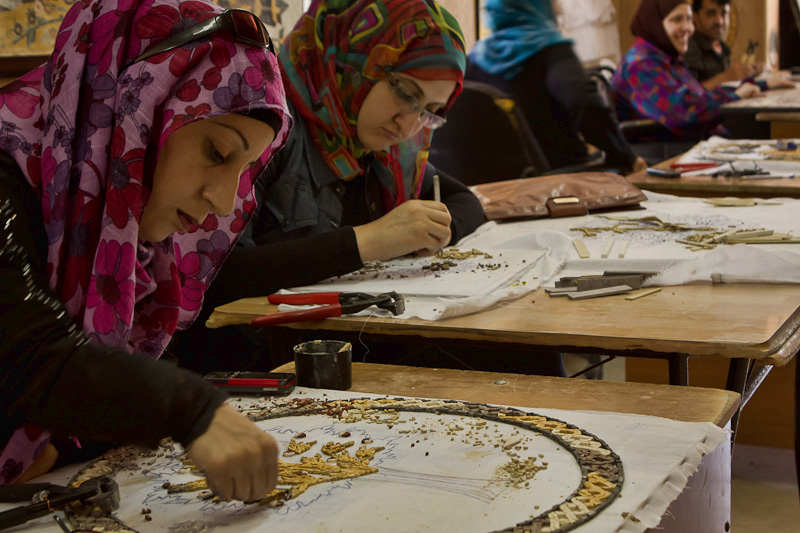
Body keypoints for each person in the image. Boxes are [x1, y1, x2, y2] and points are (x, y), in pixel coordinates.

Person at [0, 0, 292, 500]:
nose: (224, 201)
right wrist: (189, 409)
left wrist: (64, 446)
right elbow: (26, 354)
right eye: (216, 153)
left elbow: (70, 411)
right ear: (134, 110)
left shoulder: (124, 248)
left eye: (243, 171)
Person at [171, 0, 487, 375]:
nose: (409, 124)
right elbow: (212, 275)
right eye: (406, 92)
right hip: (252, 371)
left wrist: (427, 232)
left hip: (346, 353)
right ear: (355, 57)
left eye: (430, 111)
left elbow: (465, 201)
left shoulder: (379, 146)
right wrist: (368, 242)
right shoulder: (267, 123)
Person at [465, 0, 646, 174]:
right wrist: (625, 156)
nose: (558, 9)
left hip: (495, 184)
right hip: (559, 182)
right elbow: (585, 102)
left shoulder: (474, 59)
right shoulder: (552, 51)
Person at [611, 0, 770, 143]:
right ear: (654, 23)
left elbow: (699, 96)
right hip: (663, 157)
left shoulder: (668, 58)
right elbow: (684, 113)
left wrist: (761, 85)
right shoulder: (640, 65)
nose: (688, 28)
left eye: (688, 19)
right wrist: (737, 95)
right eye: (677, 19)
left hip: (688, 147)